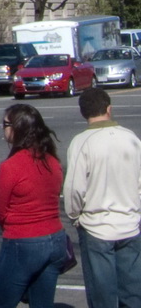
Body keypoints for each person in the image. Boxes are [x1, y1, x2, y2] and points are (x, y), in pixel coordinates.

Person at [63, 86, 141, 308]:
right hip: (130, 224)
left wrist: (75, 216)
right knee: (133, 294)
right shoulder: (131, 138)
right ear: (109, 109)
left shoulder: (81, 142)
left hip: (97, 227)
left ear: (83, 113)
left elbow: (74, 189)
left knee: (102, 297)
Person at [0, 103, 66, 308]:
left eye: (6, 124)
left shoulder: (10, 167)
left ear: (18, 128)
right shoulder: (52, 161)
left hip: (24, 242)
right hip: (56, 240)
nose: (3, 128)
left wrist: (15, 227)